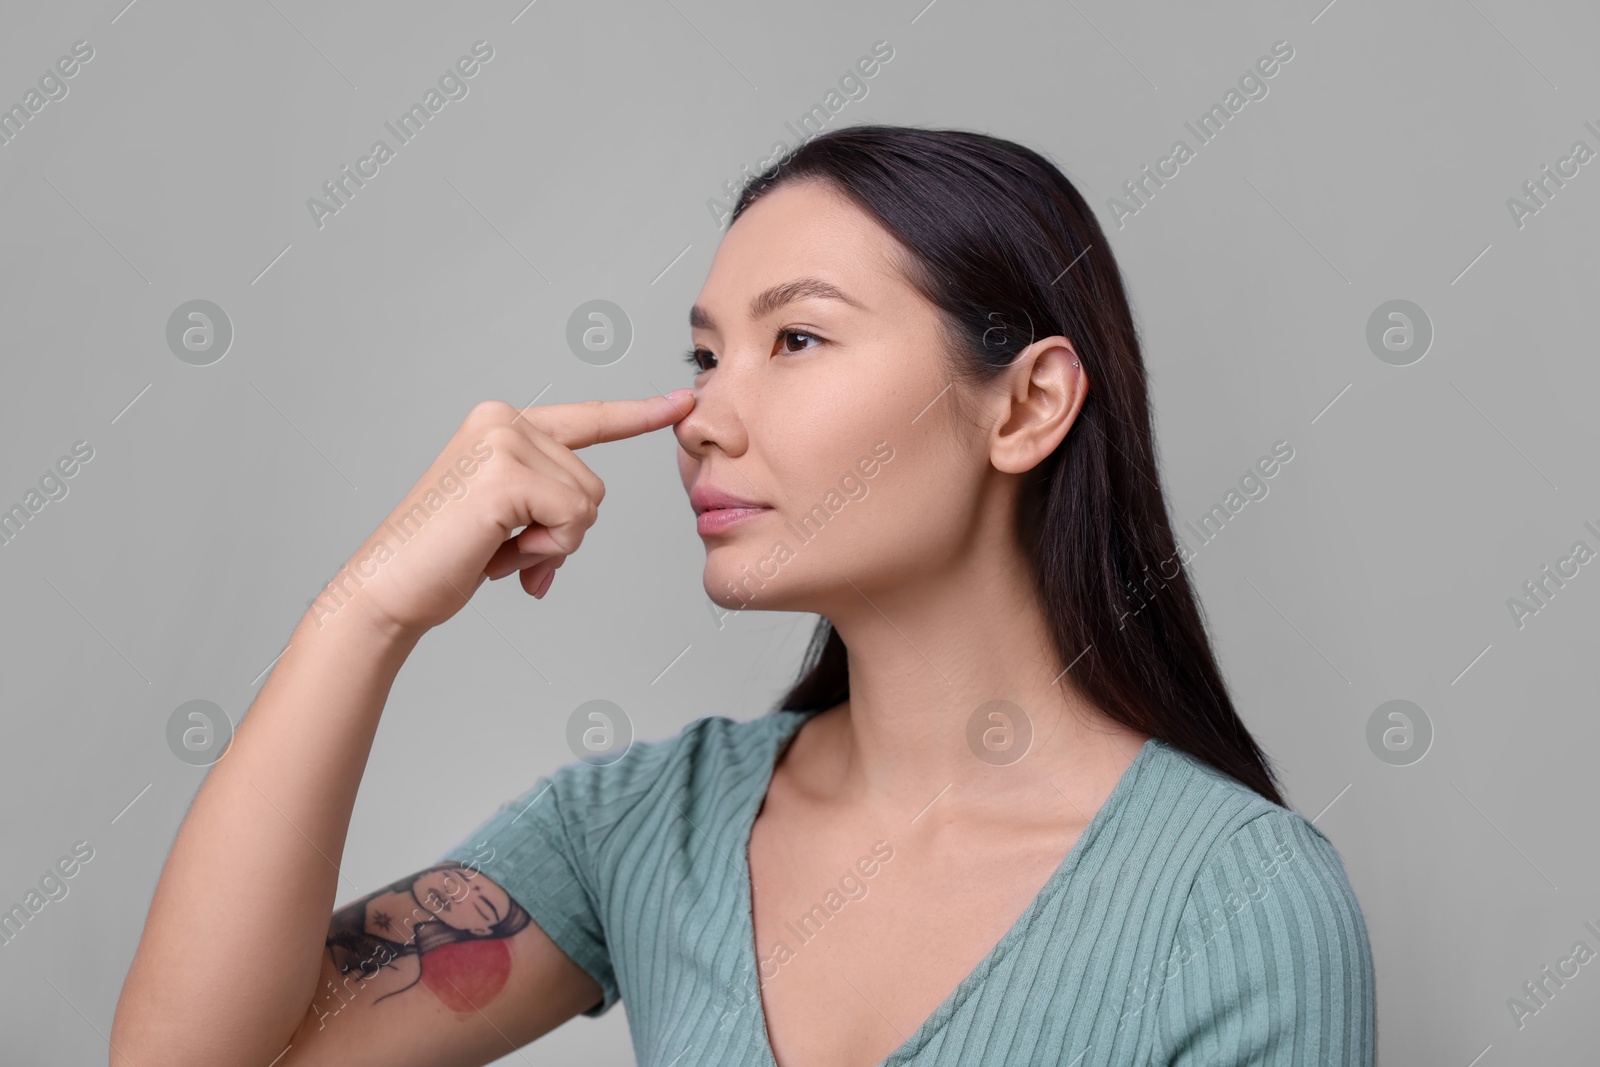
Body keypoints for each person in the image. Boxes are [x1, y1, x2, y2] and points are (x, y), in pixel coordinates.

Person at [110, 123, 1376, 1066]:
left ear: (1026, 403)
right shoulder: (639, 828)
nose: (704, 418)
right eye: (703, 355)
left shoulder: (1237, 904)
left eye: (798, 339)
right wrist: (368, 609)